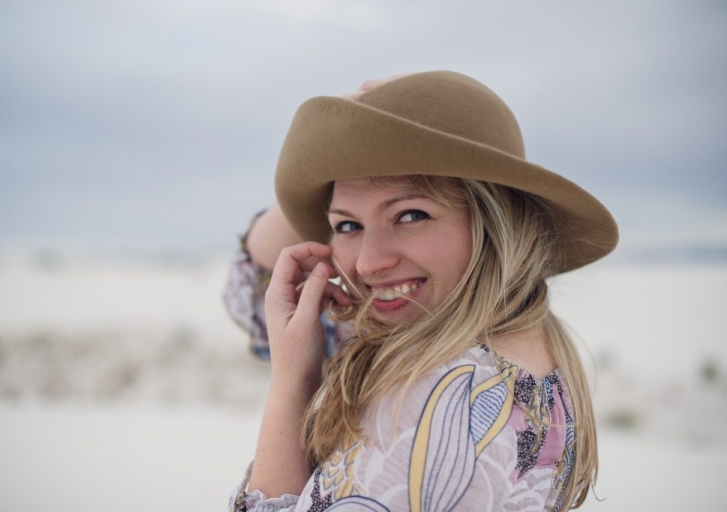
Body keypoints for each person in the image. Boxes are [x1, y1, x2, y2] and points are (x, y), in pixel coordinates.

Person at [224, 71, 618, 511]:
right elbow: (250, 289)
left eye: (410, 215)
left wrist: (291, 385)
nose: (369, 262)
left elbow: (249, 300)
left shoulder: (426, 405)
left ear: (495, 221)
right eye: (348, 225)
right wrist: (344, 135)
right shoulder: (513, 348)